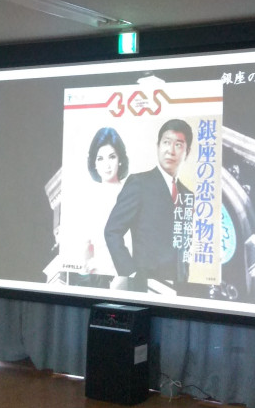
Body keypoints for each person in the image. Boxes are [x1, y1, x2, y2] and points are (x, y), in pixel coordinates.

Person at [104, 118, 194, 292]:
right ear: (158, 146)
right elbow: (112, 231)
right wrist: (131, 273)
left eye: (178, 145)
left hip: (180, 288)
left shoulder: (188, 195)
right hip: (146, 284)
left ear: (187, 152)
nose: (171, 151)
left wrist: (185, 277)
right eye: (166, 142)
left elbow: (184, 244)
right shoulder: (139, 183)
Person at [78, 127, 129, 286]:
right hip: (97, 278)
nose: (107, 165)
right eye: (100, 159)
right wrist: (88, 266)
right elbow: (86, 246)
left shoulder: (132, 194)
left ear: (120, 159)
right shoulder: (89, 199)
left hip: (126, 277)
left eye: (111, 157)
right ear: (94, 163)